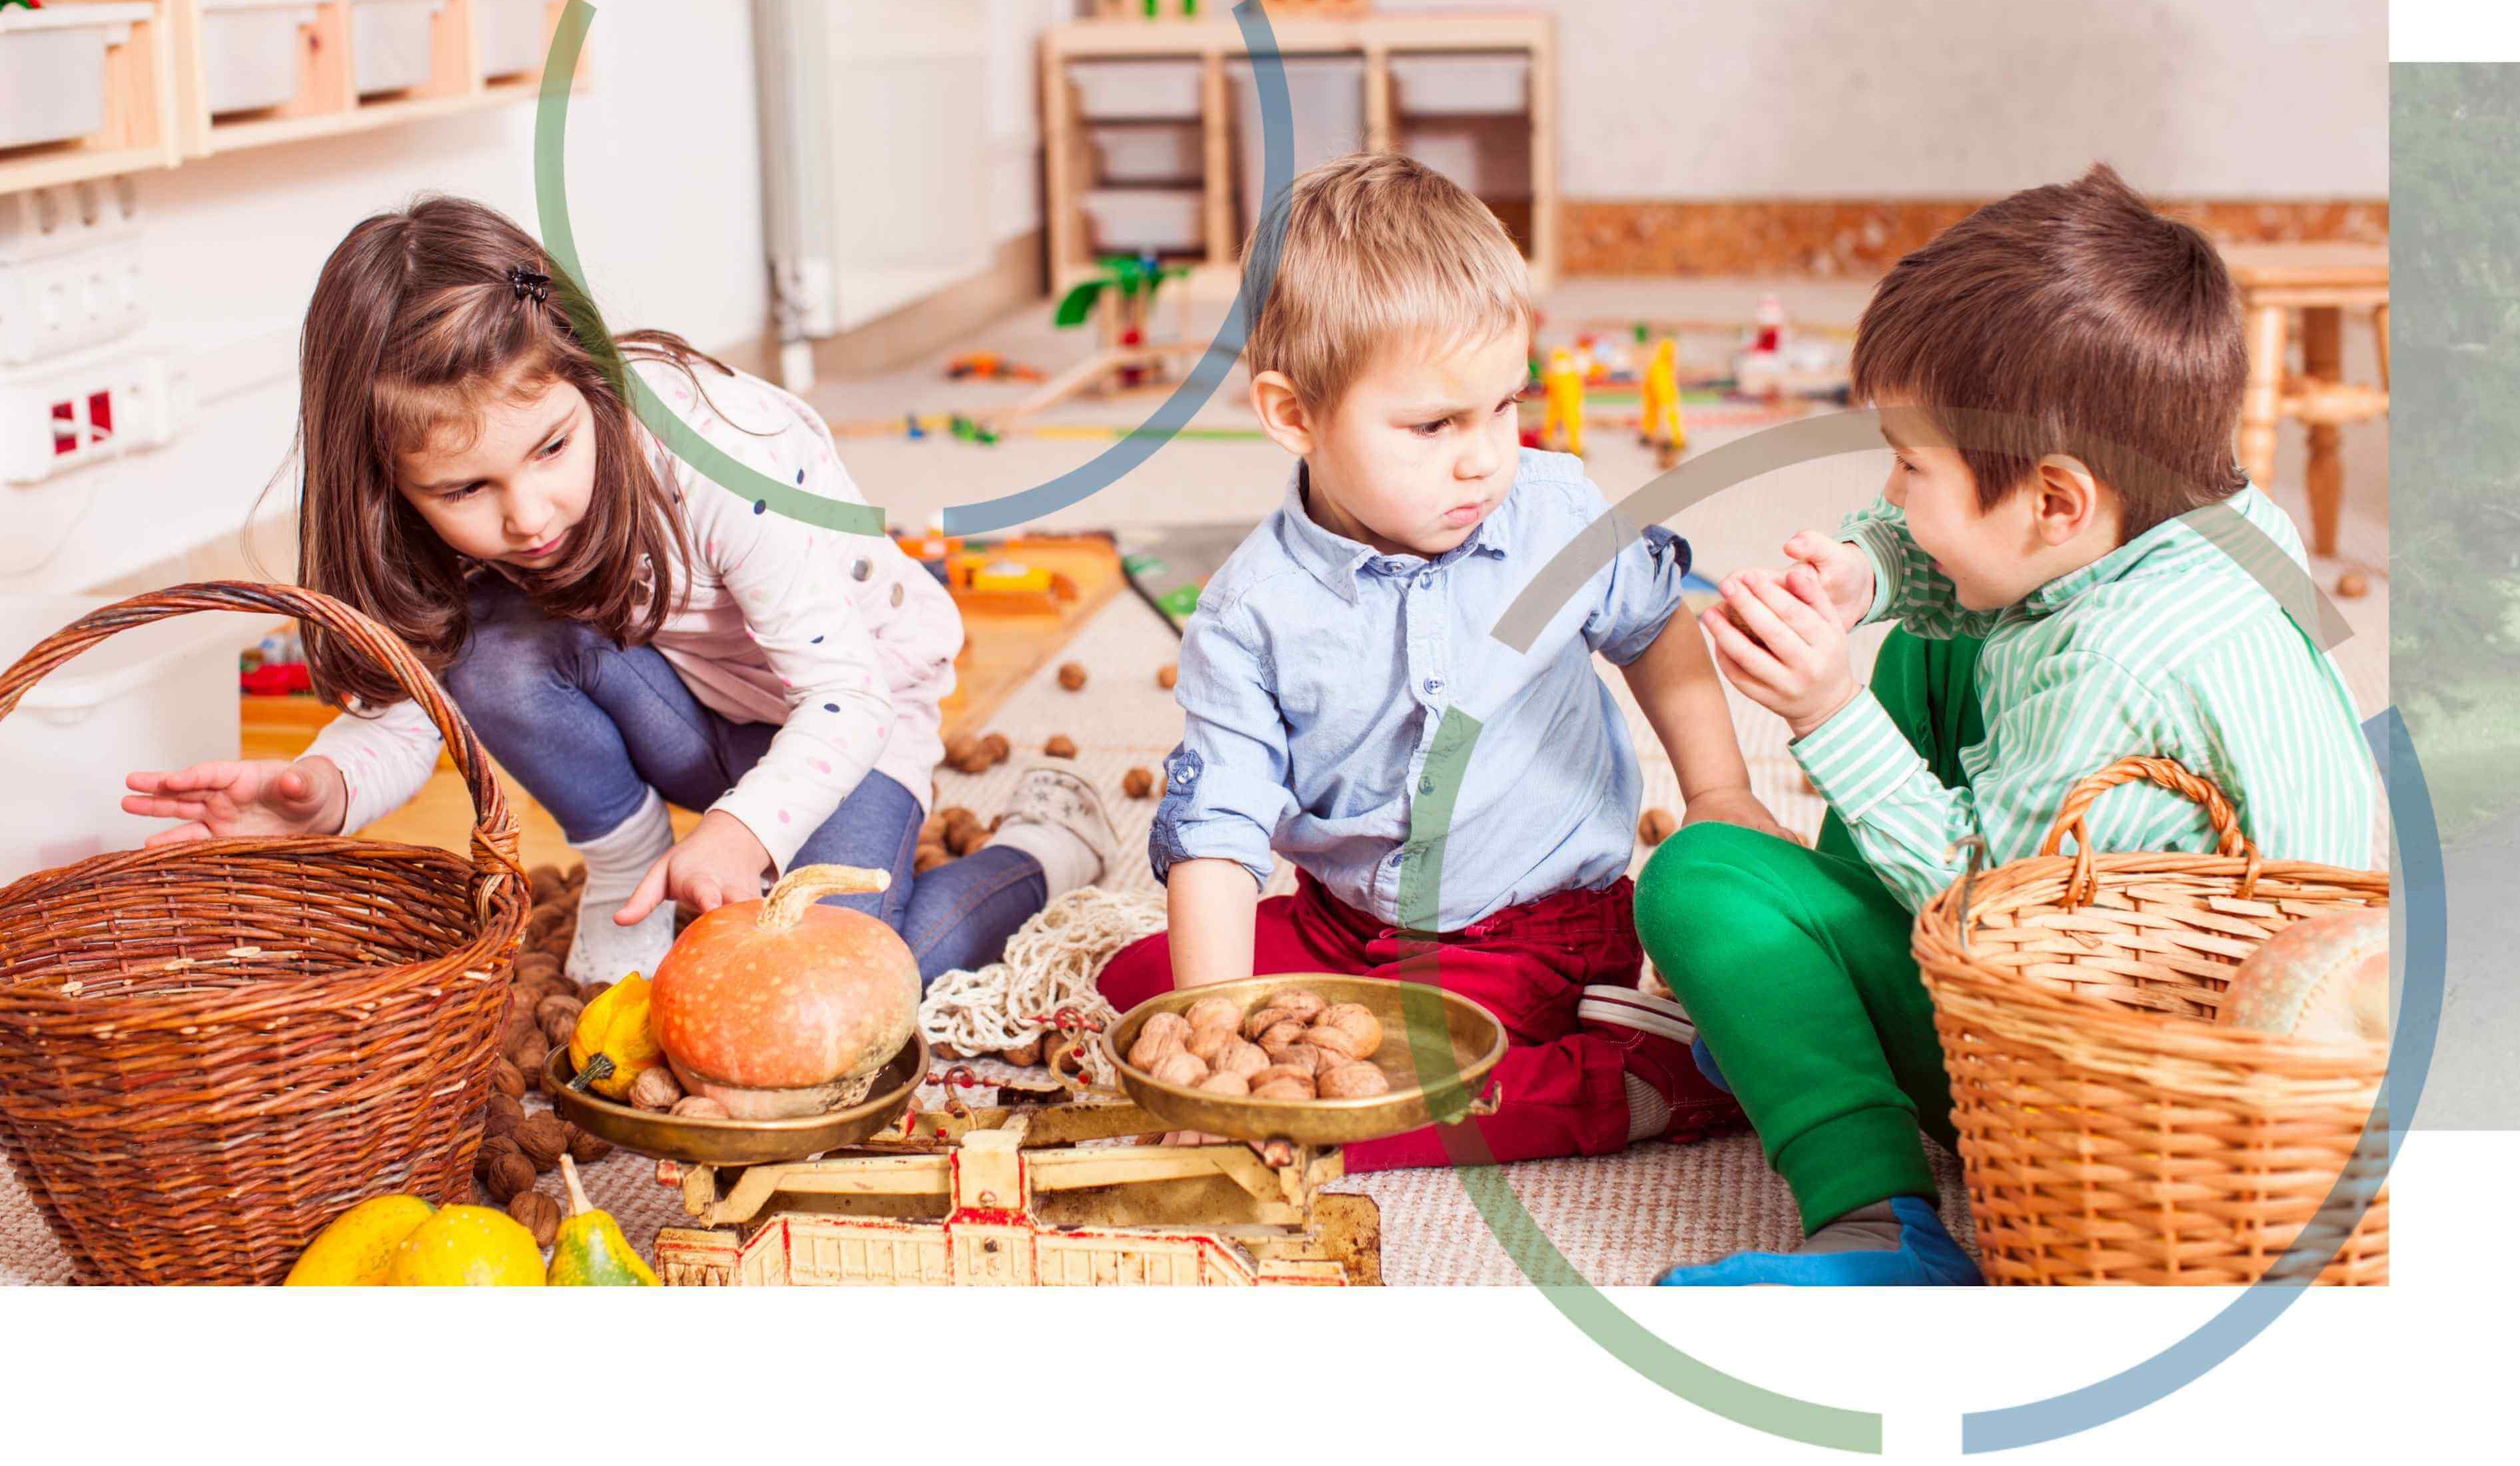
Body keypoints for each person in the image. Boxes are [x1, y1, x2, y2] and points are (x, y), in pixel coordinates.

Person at [1637, 166, 2380, 1286]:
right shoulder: (2215, 515)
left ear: (2053, 498)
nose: (1887, 493)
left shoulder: (2111, 665)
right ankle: (1815, 991)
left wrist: (1821, 708)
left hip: (2091, 1071)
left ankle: (1877, 1220)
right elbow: (2006, 579)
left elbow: (1980, 907)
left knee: (1698, 877)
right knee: (1935, 647)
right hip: (2170, 954)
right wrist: (1864, 569)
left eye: (1908, 465)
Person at [118, 195, 1114, 983]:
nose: (528, 516)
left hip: (848, 721)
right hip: (691, 715)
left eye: (553, 448)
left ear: (587, 378)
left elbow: (845, 698)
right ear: (390, 485)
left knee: (853, 975)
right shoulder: (448, 511)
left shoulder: (717, 448)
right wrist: (327, 792)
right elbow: (411, 710)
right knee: (492, 651)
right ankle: (628, 864)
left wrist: (741, 829)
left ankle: (1040, 851)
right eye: (466, 490)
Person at [1093, 152, 1775, 1170]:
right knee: (1139, 994)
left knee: (1375, 1113)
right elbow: (1220, 827)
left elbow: (1655, 627)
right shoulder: (1249, 612)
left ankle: (1631, 1083)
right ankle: (1518, 1052)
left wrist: (1720, 789)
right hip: (1343, 930)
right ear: (1294, 416)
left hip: (1532, 933)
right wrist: (1215, 1031)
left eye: (1507, 406)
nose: (1484, 456)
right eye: (1434, 425)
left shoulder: (1554, 513)